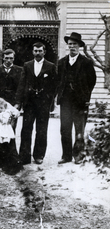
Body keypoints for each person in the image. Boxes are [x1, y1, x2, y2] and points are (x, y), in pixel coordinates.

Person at [57, 32, 97, 164]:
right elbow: (58, 80)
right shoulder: (62, 62)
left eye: (74, 44)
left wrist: (85, 96)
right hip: (66, 101)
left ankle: (78, 155)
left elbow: (92, 81)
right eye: (70, 44)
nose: (72, 46)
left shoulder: (86, 62)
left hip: (80, 101)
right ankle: (66, 156)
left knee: (79, 129)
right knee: (65, 129)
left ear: (79, 46)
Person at [15, 42, 57, 165]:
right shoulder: (27, 65)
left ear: (44, 52)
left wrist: (50, 98)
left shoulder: (50, 66)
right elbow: (22, 84)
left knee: (41, 129)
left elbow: (55, 85)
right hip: (29, 103)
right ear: (33, 52)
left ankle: (39, 155)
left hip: (43, 103)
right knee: (26, 129)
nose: (37, 53)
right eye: (35, 51)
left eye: (40, 51)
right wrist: (19, 101)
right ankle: (24, 156)